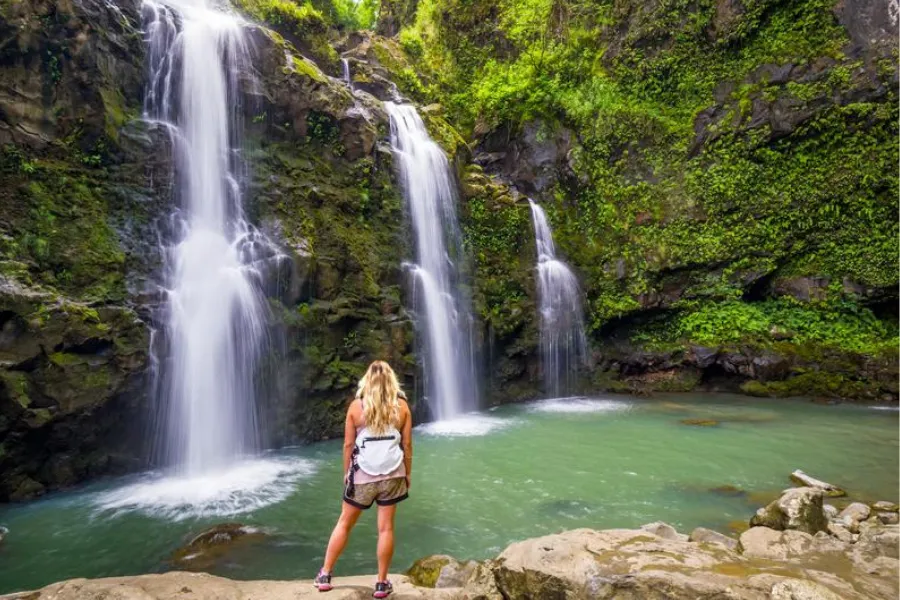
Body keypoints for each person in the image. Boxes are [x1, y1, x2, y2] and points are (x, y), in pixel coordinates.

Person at [314, 360, 413, 598]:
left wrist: (346, 473)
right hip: (393, 475)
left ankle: (325, 575)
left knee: (344, 523)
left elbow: (348, 444)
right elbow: (407, 445)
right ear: (391, 381)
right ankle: (381, 583)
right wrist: (407, 473)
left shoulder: (356, 408)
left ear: (366, 381)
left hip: (363, 475)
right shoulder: (402, 408)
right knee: (386, 528)